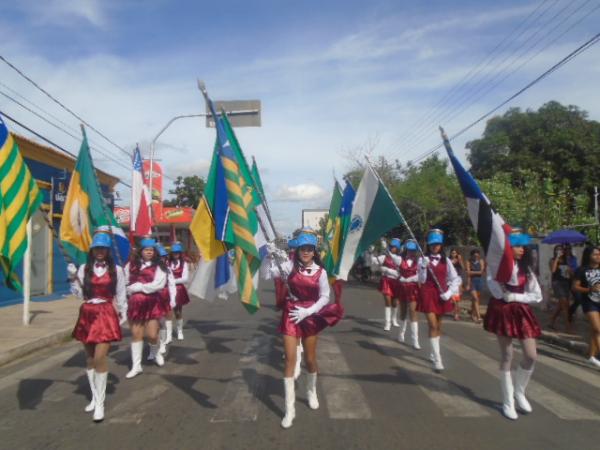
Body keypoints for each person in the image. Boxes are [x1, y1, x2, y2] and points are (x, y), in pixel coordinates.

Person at [267, 229, 343, 429]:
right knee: (290, 360)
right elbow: (270, 273)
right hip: (291, 314)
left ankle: (311, 392)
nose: (306, 252)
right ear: (298, 250)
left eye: (310, 249)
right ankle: (289, 410)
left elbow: (325, 297)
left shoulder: (321, 272)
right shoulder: (288, 265)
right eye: (303, 249)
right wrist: (270, 256)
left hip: (310, 314)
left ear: (314, 251)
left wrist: (308, 312)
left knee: (310, 359)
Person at [484, 228, 542, 421]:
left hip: (521, 311)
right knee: (507, 354)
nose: (522, 250)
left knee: (531, 355)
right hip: (503, 311)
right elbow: (494, 289)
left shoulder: (527, 269)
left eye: (523, 246)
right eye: (517, 246)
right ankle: (508, 401)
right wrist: (503, 291)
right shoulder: (496, 268)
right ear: (508, 248)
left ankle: (519, 392)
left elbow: (537, 295)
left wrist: (516, 296)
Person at [67, 231, 126, 422]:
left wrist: (122, 312)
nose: (100, 251)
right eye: (96, 248)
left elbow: (121, 292)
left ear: (107, 250)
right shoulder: (84, 268)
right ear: (92, 250)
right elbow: (79, 294)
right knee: (90, 358)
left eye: (103, 248)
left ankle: (100, 404)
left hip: (106, 313)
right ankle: (93, 396)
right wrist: (73, 278)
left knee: (100, 357)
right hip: (88, 313)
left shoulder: (116, 269)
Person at [417, 229, 462, 372]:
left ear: (441, 245)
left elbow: (455, 279)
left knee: (439, 326)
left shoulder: (446, 261)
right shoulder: (422, 260)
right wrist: (423, 266)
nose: (434, 247)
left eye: (437, 244)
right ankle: (438, 359)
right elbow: (421, 280)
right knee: (433, 325)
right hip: (428, 294)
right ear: (428, 246)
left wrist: (449, 293)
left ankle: (432, 351)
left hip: (442, 294)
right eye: (432, 244)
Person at [125, 237, 168, 378]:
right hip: (135, 304)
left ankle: (155, 352)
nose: (149, 252)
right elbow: (125, 282)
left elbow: (159, 284)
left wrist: (140, 287)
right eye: (146, 250)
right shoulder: (131, 265)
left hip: (152, 303)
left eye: (151, 250)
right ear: (141, 251)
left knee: (152, 335)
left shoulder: (160, 266)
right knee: (136, 334)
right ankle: (136, 366)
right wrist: (130, 289)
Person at [572, 245, 600, 369]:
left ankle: (591, 356)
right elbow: (575, 287)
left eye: (599, 254)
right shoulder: (582, 270)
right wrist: (589, 289)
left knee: (594, 331)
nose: (598, 256)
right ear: (588, 256)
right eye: (595, 254)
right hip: (590, 302)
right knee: (598, 329)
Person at [371, 238, 402, 331]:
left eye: (395, 247)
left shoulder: (400, 259)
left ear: (398, 249)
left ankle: (394, 319)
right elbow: (373, 261)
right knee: (388, 302)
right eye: (392, 247)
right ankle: (387, 323)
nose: (393, 248)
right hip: (386, 282)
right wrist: (372, 251)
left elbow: (400, 272)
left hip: (396, 282)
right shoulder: (384, 257)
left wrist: (387, 270)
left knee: (395, 303)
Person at [397, 239, 421, 349]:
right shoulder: (400, 261)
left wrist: (410, 279)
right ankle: (401, 333)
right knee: (403, 312)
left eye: (413, 250)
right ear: (406, 250)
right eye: (409, 250)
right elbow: (396, 272)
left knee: (413, 312)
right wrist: (400, 277)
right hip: (402, 288)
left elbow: (421, 275)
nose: (411, 252)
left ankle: (415, 340)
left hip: (413, 289)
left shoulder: (419, 262)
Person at [155, 244, 176, 356]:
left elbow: (172, 284)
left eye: (164, 257)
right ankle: (154, 345)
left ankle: (166, 338)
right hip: (152, 298)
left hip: (164, 295)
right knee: (154, 322)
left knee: (165, 318)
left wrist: (173, 298)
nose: (162, 259)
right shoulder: (150, 269)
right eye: (160, 256)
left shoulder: (167, 269)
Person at [169, 242, 191, 340]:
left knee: (178, 311)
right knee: (167, 312)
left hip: (178, 289)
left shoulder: (184, 264)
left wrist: (172, 280)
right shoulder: (167, 263)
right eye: (174, 253)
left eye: (177, 252)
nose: (175, 254)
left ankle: (179, 331)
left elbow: (185, 278)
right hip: (168, 289)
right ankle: (168, 334)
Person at [549, 245, 573, 332]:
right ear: (555, 251)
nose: (559, 251)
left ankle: (551, 321)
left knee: (561, 305)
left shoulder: (566, 260)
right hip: (557, 283)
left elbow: (571, 273)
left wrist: (570, 270)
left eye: (560, 249)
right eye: (557, 250)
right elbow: (553, 270)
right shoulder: (552, 260)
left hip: (566, 283)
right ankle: (568, 327)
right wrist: (557, 258)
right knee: (565, 305)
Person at [466, 249, 486, 323]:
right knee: (475, 298)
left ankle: (472, 314)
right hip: (472, 282)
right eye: (474, 255)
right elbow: (468, 273)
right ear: (472, 255)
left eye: (477, 254)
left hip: (479, 281)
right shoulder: (468, 262)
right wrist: (468, 284)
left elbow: (482, 272)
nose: (476, 256)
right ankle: (478, 316)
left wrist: (472, 272)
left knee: (475, 300)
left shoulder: (481, 261)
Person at [449, 248, 465, 321]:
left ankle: (456, 314)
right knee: (452, 298)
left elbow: (463, 268)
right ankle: (455, 312)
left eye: (455, 253)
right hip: (450, 280)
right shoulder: (448, 260)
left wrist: (460, 260)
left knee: (457, 299)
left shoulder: (459, 261)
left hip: (458, 279)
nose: (453, 254)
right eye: (452, 253)